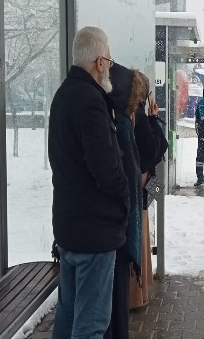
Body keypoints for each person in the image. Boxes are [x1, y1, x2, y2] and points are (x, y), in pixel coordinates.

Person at [48, 26, 128, 339]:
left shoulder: (64, 95)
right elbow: (107, 170)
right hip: (94, 232)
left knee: (67, 318)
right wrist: (125, 194)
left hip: (70, 227)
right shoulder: (91, 102)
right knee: (90, 326)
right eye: (108, 60)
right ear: (98, 62)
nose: (110, 66)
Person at [105, 62, 144, 339]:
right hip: (113, 229)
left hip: (115, 227)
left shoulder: (121, 123)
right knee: (107, 309)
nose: (139, 106)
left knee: (113, 306)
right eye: (138, 100)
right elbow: (121, 178)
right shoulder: (119, 125)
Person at [131, 70, 168, 310]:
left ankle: (138, 291)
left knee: (140, 233)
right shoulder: (139, 117)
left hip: (137, 185)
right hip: (139, 185)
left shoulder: (128, 114)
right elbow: (158, 147)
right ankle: (137, 292)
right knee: (140, 236)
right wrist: (154, 119)